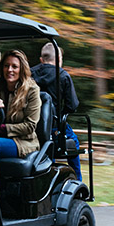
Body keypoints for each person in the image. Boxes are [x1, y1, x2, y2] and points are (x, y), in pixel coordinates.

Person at [0, 50, 41, 186]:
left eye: (14, 66)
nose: (10, 70)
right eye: (6, 66)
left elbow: (30, 126)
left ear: (21, 69)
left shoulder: (31, 90)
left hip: (23, 141)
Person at [31, 41, 83, 180]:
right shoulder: (63, 75)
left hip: (32, 124)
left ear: (42, 60)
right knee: (74, 143)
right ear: (59, 59)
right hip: (55, 125)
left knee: (46, 146)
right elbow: (72, 105)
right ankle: (77, 180)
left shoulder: (30, 73)